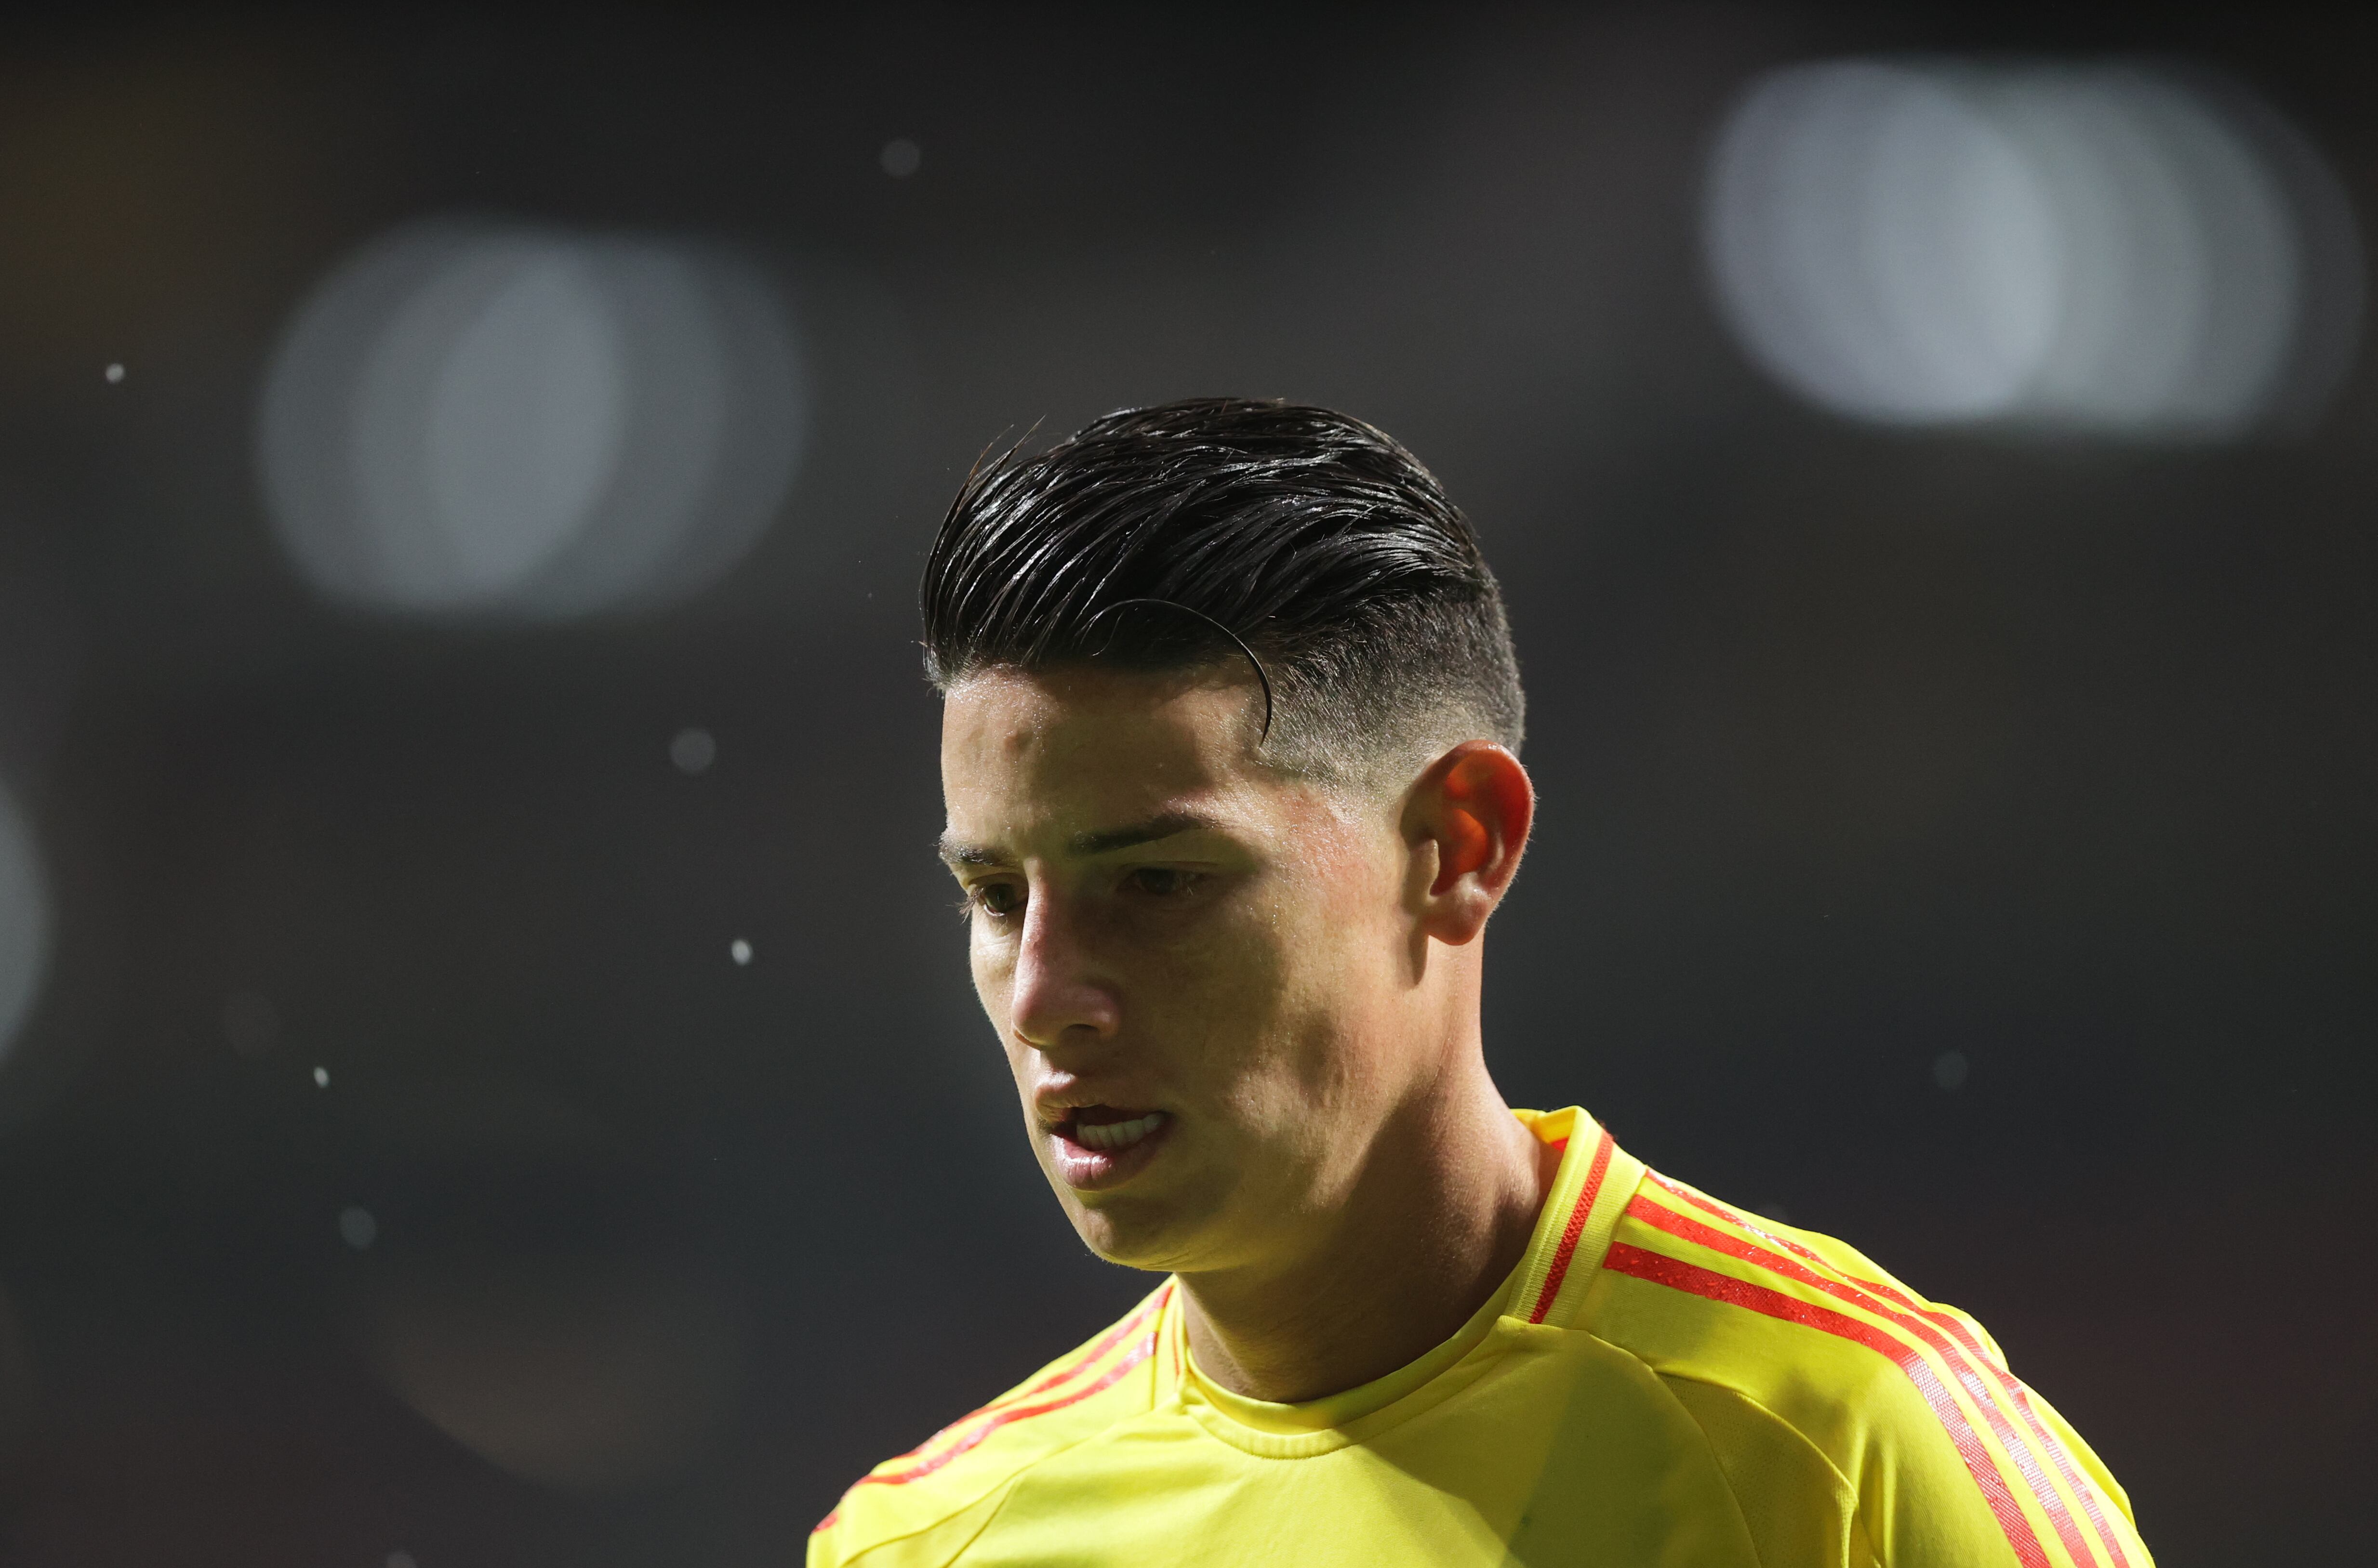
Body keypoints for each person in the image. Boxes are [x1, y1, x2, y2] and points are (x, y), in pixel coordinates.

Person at [809, 399, 2152, 1567]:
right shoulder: (926, 1540)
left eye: (1158, 883)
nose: (1046, 994)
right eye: (996, 896)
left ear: (1457, 846)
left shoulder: (1853, 1451)